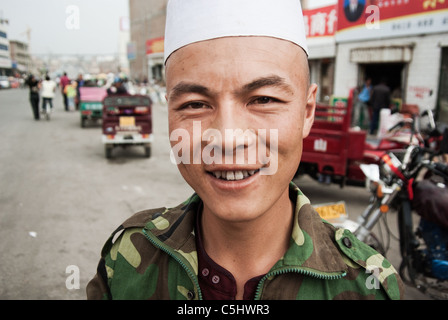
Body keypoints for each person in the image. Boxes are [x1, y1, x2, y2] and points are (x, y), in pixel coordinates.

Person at [87, 0, 404, 300]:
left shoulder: (370, 286)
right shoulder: (127, 265)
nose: (226, 138)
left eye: (264, 99)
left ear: (307, 112)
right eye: (195, 104)